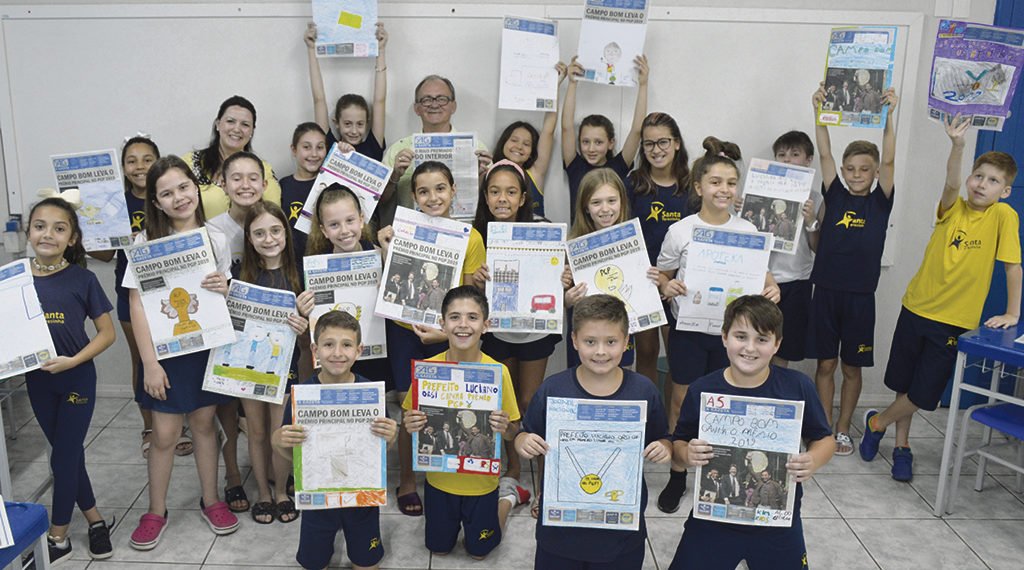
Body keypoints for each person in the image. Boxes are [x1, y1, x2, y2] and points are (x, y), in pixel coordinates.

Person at [860, 115, 1022, 481]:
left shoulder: (1004, 217)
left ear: (1005, 190)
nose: (982, 184)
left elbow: (1013, 267)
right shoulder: (953, 206)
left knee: (924, 393)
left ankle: (877, 422)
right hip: (916, 306)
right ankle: (903, 446)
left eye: (993, 181)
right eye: (978, 176)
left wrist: (1013, 312)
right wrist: (958, 145)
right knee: (906, 383)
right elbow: (951, 182)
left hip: (954, 321)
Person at [655, 138, 781, 512]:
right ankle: (678, 475)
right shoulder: (681, 230)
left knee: (728, 406)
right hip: (690, 330)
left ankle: (728, 477)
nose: (723, 189)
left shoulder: (747, 230)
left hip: (733, 337)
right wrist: (668, 285)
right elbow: (662, 275)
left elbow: (765, 276)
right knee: (682, 400)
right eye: (715, 182)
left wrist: (772, 288)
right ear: (699, 187)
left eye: (730, 183)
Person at [668, 296, 835, 569]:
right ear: (724, 337)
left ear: (777, 344)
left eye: (762, 339)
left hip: (777, 522)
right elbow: (678, 445)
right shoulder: (702, 389)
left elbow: (823, 438)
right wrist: (687, 453)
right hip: (713, 520)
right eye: (740, 336)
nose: (749, 348)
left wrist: (814, 459)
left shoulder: (797, 387)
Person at [125, 156, 239, 549]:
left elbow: (225, 293)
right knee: (165, 433)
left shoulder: (216, 238)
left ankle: (212, 500)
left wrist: (226, 288)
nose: (178, 198)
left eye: (184, 187)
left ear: (196, 188)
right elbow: (137, 305)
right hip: (165, 353)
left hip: (206, 347)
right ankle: (156, 511)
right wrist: (150, 364)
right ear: (155, 203)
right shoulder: (144, 244)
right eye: (167, 193)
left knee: (206, 425)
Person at [515, 294, 671, 568]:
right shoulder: (553, 390)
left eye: (611, 342)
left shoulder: (644, 391)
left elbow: (663, 437)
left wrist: (664, 447)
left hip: (621, 531)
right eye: (590, 342)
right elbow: (525, 433)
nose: (600, 351)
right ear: (574, 340)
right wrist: (523, 441)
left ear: (626, 342)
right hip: (560, 532)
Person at [378, 162, 487, 516]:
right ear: (414, 196)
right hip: (405, 332)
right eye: (424, 191)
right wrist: (384, 247)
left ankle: (448, 472)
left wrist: (447, 333)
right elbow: (392, 287)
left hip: (450, 334)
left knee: (452, 404)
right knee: (411, 405)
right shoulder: (401, 231)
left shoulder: (470, 237)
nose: (432, 197)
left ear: (454, 190)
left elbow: (470, 299)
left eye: (440, 188)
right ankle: (407, 480)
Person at [402, 286, 527, 558]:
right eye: (455, 317)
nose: (463, 325)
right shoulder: (427, 370)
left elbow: (513, 433)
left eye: (472, 317)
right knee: (439, 549)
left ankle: (507, 497)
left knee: (480, 551)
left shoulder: (498, 373)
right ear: (442, 323)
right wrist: (410, 424)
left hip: (482, 485)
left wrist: (507, 429)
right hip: (438, 482)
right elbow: (409, 419)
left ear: (486, 325)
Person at [89, 136, 193, 459]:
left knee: (178, 355)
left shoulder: (173, 199)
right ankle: (149, 425)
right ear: (122, 167)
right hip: (131, 292)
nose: (139, 166)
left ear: (158, 162)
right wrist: (92, 226)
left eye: (147, 159)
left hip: (174, 292)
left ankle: (179, 422)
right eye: (131, 160)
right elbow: (104, 255)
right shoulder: (115, 204)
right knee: (142, 359)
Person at [24, 196, 116, 563]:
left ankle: (58, 536)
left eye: (59, 228)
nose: (48, 234)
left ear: (72, 238)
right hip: (37, 382)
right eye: (40, 226)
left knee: (63, 457)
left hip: (77, 378)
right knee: (69, 455)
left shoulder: (84, 279)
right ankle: (95, 520)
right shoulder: (14, 280)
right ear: (29, 231)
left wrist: (72, 361)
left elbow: (107, 333)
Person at [808, 83, 898, 457]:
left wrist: (890, 115)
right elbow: (824, 151)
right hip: (826, 292)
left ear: (875, 172)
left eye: (865, 169)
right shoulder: (836, 192)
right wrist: (819, 112)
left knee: (851, 366)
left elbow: (891, 161)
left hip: (861, 298)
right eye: (850, 168)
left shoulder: (880, 202)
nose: (856, 174)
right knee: (825, 362)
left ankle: (844, 428)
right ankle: (823, 427)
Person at [272, 310, 398, 570]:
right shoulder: (303, 397)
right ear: (315, 349)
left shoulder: (371, 395)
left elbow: (380, 450)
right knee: (314, 563)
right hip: (319, 501)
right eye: (329, 345)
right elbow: (293, 455)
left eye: (347, 345)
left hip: (361, 499)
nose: (338, 353)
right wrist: (277, 441)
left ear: (359, 350)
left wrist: (391, 437)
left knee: (366, 561)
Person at [471, 160, 559, 491]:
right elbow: (469, 294)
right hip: (496, 330)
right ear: (485, 196)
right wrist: (477, 281)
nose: (502, 199)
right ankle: (513, 467)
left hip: (534, 330)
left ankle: (541, 470)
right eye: (494, 192)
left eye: (510, 192)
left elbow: (554, 279)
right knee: (505, 404)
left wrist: (561, 277)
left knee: (529, 401)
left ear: (523, 197)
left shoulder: (543, 228)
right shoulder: (477, 236)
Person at [235, 201, 315, 523]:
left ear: (286, 232)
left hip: (287, 366)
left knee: (279, 431)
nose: (268, 239)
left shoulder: (302, 277)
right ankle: (264, 495)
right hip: (249, 366)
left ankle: (282, 490)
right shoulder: (239, 277)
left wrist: (303, 328)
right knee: (255, 432)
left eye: (275, 230)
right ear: (249, 239)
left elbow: (311, 340)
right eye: (259, 233)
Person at [205, 150, 272, 512]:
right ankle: (233, 477)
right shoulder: (212, 231)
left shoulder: (275, 225)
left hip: (265, 337)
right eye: (236, 178)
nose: (245, 185)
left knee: (266, 417)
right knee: (228, 411)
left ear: (264, 183)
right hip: (224, 334)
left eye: (252, 177)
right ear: (223, 183)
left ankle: (275, 473)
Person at [563, 168, 659, 370]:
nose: (605, 209)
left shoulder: (635, 244)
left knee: (618, 379)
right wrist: (568, 300)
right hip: (585, 336)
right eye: (596, 202)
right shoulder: (572, 246)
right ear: (585, 207)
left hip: (617, 331)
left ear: (622, 202)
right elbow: (562, 298)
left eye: (612, 201)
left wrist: (652, 281)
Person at [627, 112, 691, 395]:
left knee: (679, 358)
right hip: (643, 282)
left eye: (663, 142)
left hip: (680, 286)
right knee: (647, 353)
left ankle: (673, 423)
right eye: (649, 144)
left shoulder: (692, 186)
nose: (656, 150)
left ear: (676, 143)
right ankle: (650, 417)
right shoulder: (633, 184)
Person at [379, 75, 492, 231]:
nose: (434, 104)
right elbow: (379, 201)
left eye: (441, 99)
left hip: (461, 234)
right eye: (426, 99)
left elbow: (491, 201)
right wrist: (394, 176)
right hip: (412, 237)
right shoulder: (398, 150)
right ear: (417, 108)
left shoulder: (476, 148)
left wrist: (479, 177)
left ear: (453, 106)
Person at [759, 131, 821, 371]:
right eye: (781, 155)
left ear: (808, 160)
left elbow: (817, 247)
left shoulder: (815, 198)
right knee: (759, 340)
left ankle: (776, 391)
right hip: (764, 280)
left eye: (795, 154)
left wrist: (811, 220)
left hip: (798, 281)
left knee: (784, 348)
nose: (787, 160)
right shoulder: (760, 194)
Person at [561, 55, 647, 220]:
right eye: (585, 142)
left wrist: (643, 85)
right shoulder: (575, 166)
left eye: (598, 142)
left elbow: (637, 130)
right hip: (581, 240)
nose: (591, 148)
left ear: (610, 143)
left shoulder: (618, 166)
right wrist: (572, 83)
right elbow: (566, 128)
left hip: (613, 241)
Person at [182, 95, 282, 218]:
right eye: (230, 121)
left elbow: (273, 211)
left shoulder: (264, 169)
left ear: (252, 131)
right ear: (218, 124)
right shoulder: (191, 164)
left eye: (245, 124)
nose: (237, 129)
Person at [491, 62, 567, 218]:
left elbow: (548, 130)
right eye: (514, 140)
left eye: (526, 144)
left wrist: (554, 86)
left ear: (532, 152)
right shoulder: (488, 172)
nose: (519, 146)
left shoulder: (535, 174)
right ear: (503, 142)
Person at [305, 22, 388, 161]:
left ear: (367, 123)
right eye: (347, 124)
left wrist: (381, 49)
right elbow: (319, 99)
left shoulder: (373, 146)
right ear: (336, 122)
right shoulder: (329, 145)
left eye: (360, 124)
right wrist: (311, 48)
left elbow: (380, 101)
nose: (354, 131)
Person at [279, 122, 329, 259]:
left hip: (329, 262)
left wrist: (347, 154)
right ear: (294, 150)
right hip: (293, 264)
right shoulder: (283, 186)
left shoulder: (331, 183)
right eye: (306, 147)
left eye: (320, 147)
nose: (314, 154)